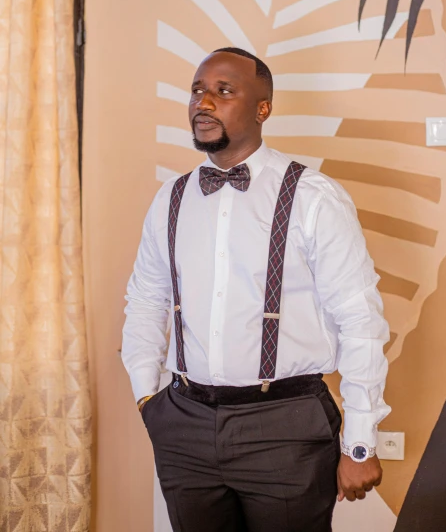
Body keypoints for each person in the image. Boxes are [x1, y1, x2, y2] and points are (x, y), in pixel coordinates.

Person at [122, 47, 391, 532]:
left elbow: (360, 320)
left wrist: (360, 442)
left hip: (286, 424)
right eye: (198, 90)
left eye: (224, 91)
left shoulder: (312, 197)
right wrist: (149, 398)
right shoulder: (172, 198)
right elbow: (145, 299)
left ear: (262, 108)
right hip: (184, 422)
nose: (204, 101)